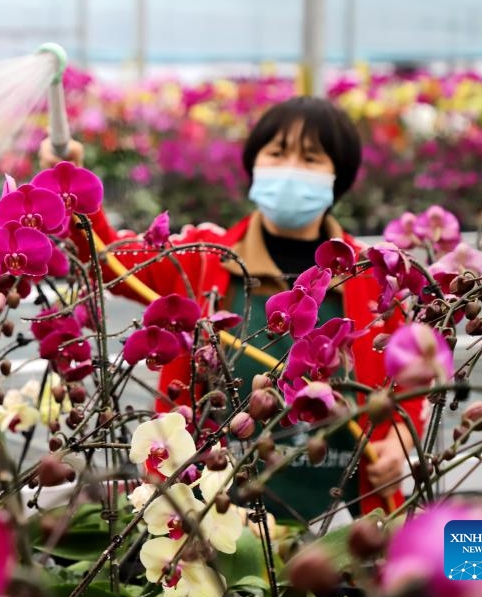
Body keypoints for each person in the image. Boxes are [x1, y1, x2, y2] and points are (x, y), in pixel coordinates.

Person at [40, 96, 424, 522]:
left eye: (311, 158)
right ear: (254, 164)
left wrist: (402, 441)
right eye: (277, 153)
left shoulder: (374, 276)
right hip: (211, 512)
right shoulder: (203, 259)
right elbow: (108, 260)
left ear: (339, 176)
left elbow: (411, 383)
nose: (291, 168)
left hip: (341, 520)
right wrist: (70, 188)